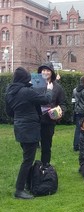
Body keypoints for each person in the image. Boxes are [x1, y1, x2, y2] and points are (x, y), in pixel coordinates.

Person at [5, 67, 53, 199]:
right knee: (27, 160)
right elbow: (45, 99)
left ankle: (27, 184)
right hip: (29, 128)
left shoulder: (10, 92)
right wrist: (49, 89)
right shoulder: (25, 91)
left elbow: (9, 112)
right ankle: (19, 190)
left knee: (28, 157)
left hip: (19, 126)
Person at [37, 62, 66, 166]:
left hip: (49, 121)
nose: (45, 72)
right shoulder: (35, 85)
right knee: (30, 147)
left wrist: (59, 112)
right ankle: (32, 170)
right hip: (35, 120)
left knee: (46, 147)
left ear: (52, 72)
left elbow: (62, 104)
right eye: (43, 70)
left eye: (48, 70)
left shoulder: (57, 87)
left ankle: (45, 167)